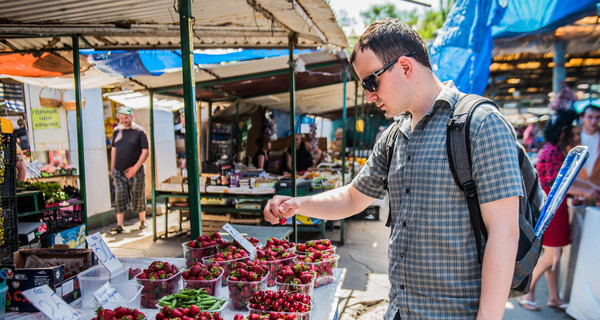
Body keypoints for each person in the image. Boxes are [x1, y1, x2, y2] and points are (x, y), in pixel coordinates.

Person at [265, 18, 523, 319]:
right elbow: (352, 198)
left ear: (404, 66)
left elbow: (504, 233)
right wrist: (298, 204)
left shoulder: (479, 124)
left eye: (371, 82)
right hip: (400, 309)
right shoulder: (394, 136)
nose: (370, 96)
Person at [519, 110, 592, 312]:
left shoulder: (556, 150)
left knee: (555, 256)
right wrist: (588, 190)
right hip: (550, 209)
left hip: (556, 208)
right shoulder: (552, 151)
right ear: (564, 132)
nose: (577, 137)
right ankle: (527, 294)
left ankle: (554, 297)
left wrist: (586, 188)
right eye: (575, 134)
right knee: (551, 257)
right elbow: (555, 183)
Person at [110, 106, 149, 233]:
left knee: (138, 195)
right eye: (121, 118)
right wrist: (112, 168)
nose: (123, 120)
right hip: (119, 171)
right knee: (119, 196)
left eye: (126, 118)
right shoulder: (117, 131)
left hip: (136, 170)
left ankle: (143, 221)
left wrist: (135, 168)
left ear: (131, 117)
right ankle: (119, 224)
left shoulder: (139, 131)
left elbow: (145, 152)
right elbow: (114, 150)